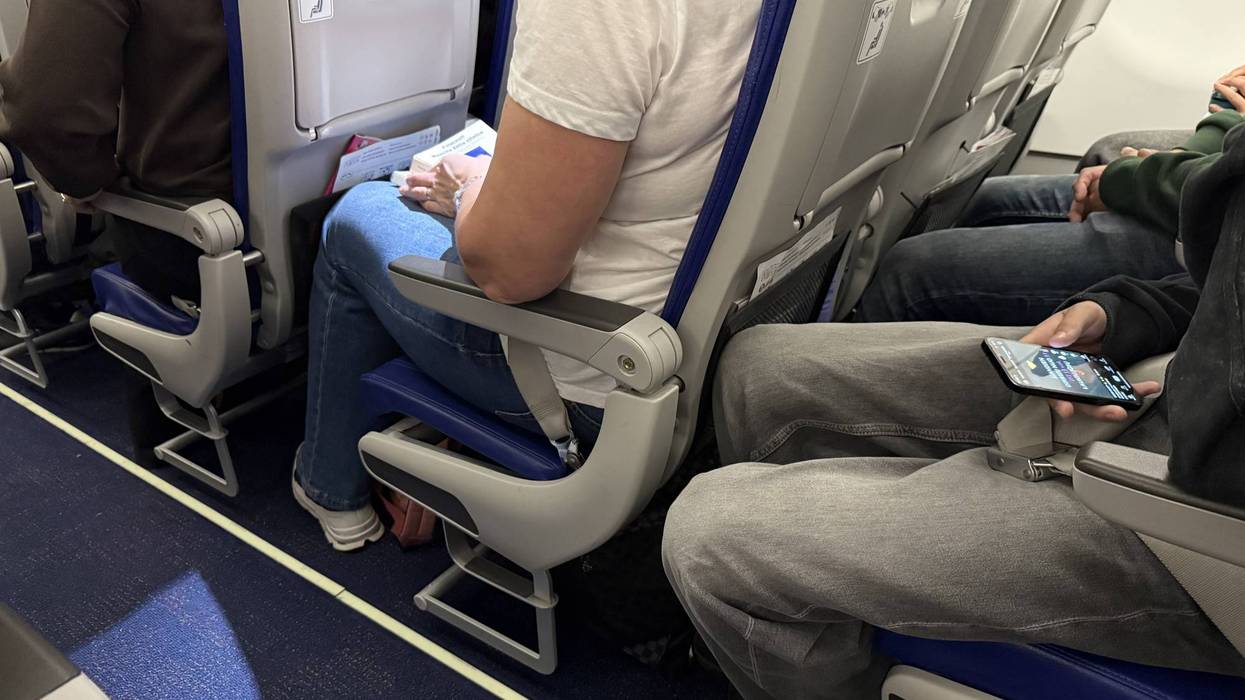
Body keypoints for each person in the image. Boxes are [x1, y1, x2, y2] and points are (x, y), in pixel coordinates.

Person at [660, 123, 1245, 699]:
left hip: (1205, 526)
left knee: (711, 540)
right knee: (761, 370)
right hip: (1178, 388)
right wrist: (1126, 313)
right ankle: (777, 619)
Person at [291, 0, 764, 550]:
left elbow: (508, 272)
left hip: (588, 373)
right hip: (713, 352)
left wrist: (469, 186)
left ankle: (331, 488)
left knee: (357, 216)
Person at [0, 0, 232, 467]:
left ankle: (57, 303)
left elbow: (44, 115)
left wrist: (87, 183)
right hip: (298, 210)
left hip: (186, 235)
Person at [854, 74, 1245, 326]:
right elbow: (1233, 137)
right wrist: (1178, 158)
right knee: (982, 199)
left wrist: (1126, 181)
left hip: (1211, 238)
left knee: (912, 268)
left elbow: (1220, 186)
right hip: (1206, 193)